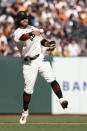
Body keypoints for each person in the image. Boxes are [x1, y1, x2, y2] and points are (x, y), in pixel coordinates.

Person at [14, 11, 68, 124]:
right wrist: (33, 32)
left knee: (51, 79)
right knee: (28, 90)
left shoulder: (32, 27)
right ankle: (25, 112)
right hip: (28, 63)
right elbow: (24, 37)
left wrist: (48, 44)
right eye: (22, 18)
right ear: (18, 20)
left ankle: (61, 99)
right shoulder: (17, 32)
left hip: (40, 58)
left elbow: (41, 40)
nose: (25, 20)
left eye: (26, 18)